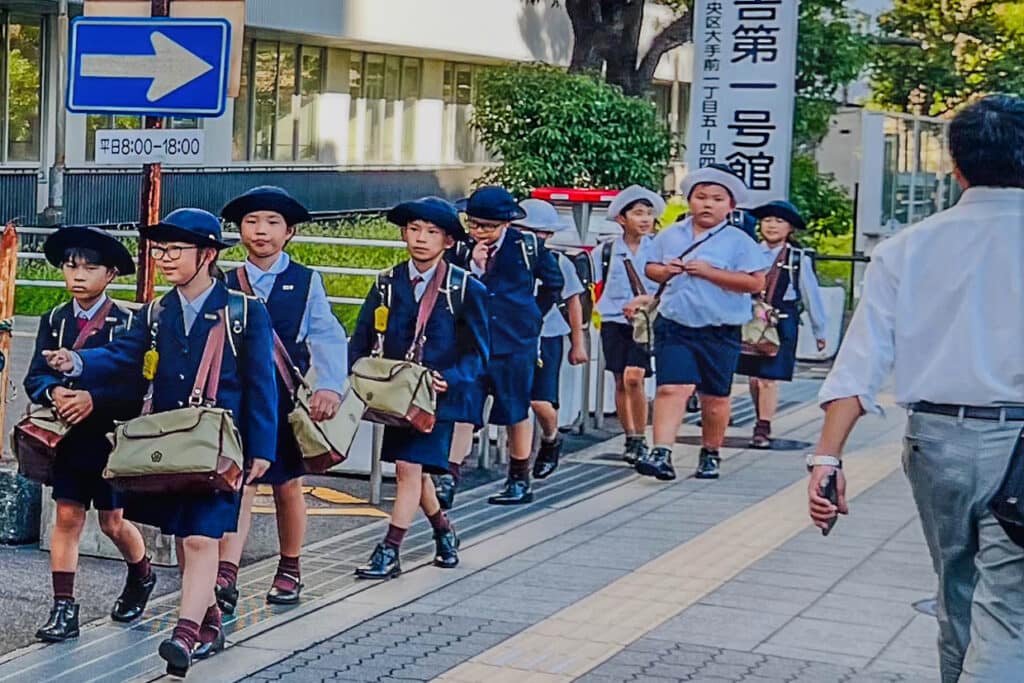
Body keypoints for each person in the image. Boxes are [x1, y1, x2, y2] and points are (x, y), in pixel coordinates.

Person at [808, 94, 1024, 683]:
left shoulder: (906, 247)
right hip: (1020, 445)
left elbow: (861, 362)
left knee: (956, 590)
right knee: (1010, 608)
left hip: (938, 443)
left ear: (955, 168)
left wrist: (827, 457)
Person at [43, 209, 278, 677]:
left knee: (199, 539)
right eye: (162, 249)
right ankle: (210, 619)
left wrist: (263, 450)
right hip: (171, 451)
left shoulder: (243, 311)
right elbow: (121, 355)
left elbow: (262, 385)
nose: (166, 258)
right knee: (185, 533)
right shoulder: (155, 313)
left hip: (219, 449)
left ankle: (184, 635)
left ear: (206, 255)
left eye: (177, 250)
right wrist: (76, 363)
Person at [215, 186, 347, 612]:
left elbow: (326, 333)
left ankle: (290, 566)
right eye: (252, 222)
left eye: (272, 223)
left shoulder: (306, 282)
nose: (261, 231)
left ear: (289, 232)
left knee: (289, 485)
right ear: (240, 231)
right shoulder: (223, 282)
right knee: (242, 484)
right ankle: (225, 575)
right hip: (237, 401)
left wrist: (329, 385)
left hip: (286, 403)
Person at [24, 226, 154, 642]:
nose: (78, 275)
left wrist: (94, 399)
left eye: (90, 267)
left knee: (114, 521)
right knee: (67, 515)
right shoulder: (55, 320)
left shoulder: (130, 320)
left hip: (112, 436)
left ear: (111, 274)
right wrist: (54, 390)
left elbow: (135, 383)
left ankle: (142, 574)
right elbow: (34, 378)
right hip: (69, 436)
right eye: (70, 265)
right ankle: (64, 607)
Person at [349, 197, 489, 579]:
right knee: (417, 473)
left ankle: (389, 549)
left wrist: (454, 379)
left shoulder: (464, 288)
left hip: (437, 398)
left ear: (447, 241)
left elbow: (479, 352)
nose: (420, 239)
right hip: (396, 397)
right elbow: (361, 338)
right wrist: (352, 379)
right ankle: (444, 532)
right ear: (403, 233)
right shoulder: (386, 284)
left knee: (410, 469)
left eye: (431, 232)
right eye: (414, 230)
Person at [640, 167, 772, 481]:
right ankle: (661, 452)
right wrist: (666, 271)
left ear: (730, 206)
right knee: (672, 388)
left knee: (715, 398)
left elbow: (755, 283)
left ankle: (711, 451)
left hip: (720, 329)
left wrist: (710, 273)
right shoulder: (670, 234)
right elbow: (650, 268)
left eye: (716, 199)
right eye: (700, 197)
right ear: (689, 201)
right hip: (676, 324)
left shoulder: (739, 241)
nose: (707, 204)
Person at [437, 186, 563, 507]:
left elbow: (554, 283)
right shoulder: (462, 249)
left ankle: (519, 478)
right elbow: (446, 282)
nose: (479, 231)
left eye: (487, 226)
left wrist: (532, 314)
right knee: (463, 409)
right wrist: (473, 267)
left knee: (514, 408)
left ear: (506, 223)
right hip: (471, 341)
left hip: (515, 342)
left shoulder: (527, 246)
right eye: (474, 223)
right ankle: (449, 477)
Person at [735, 200, 827, 448]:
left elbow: (810, 295)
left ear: (790, 229)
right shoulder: (748, 252)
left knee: (768, 378)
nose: (772, 225)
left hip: (781, 321)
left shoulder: (797, 258)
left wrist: (820, 330)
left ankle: (763, 426)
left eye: (779, 221)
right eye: (767, 220)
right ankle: (759, 417)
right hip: (749, 319)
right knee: (754, 378)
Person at [512, 198, 589, 478]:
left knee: (541, 400)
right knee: (515, 400)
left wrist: (578, 342)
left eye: (541, 233)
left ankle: (550, 438)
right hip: (512, 337)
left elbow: (573, 301)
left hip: (548, 334)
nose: (534, 238)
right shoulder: (504, 260)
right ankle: (518, 465)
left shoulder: (559, 262)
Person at [593, 185, 664, 464]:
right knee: (620, 380)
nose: (645, 219)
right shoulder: (605, 251)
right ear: (622, 219)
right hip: (613, 320)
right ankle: (630, 437)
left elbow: (669, 285)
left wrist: (647, 301)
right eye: (638, 213)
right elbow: (593, 286)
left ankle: (641, 436)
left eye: (648, 214)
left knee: (635, 377)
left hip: (646, 322)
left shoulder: (659, 249)